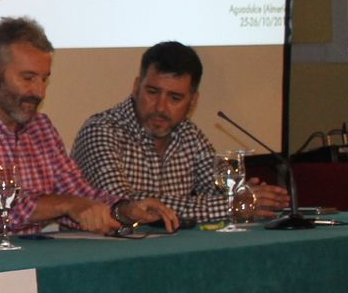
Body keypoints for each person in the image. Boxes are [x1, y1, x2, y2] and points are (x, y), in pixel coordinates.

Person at [0, 16, 178, 240]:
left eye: (44, 79)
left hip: (28, 268)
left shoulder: (40, 127)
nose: (39, 92)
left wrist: (125, 210)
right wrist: (64, 204)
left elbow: (78, 194)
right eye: (28, 78)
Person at [72, 41, 290, 223]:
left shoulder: (189, 134)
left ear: (192, 101)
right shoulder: (101, 131)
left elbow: (220, 191)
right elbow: (126, 204)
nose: (160, 107)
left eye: (175, 98)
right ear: (137, 86)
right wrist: (233, 204)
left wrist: (248, 196)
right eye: (152, 92)